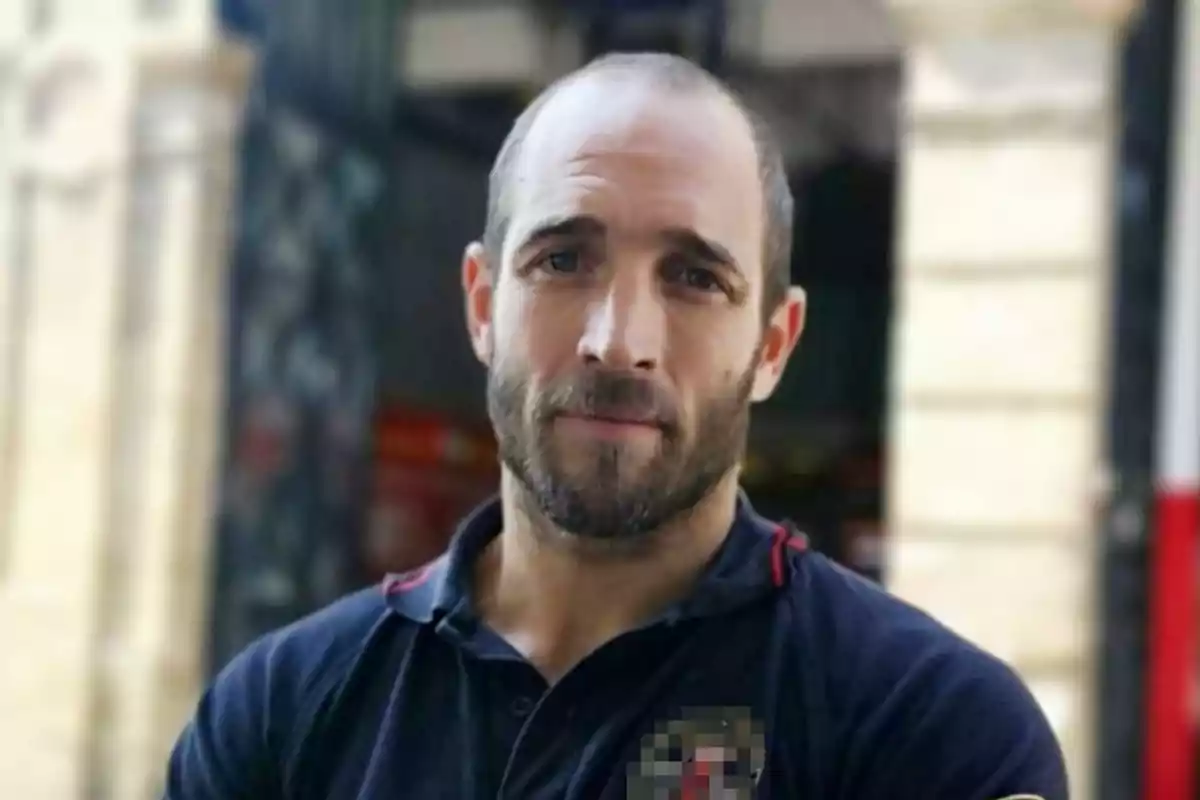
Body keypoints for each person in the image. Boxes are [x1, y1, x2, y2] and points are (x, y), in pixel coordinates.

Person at [164, 52, 1068, 799]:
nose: (617, 341)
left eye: (694, 278)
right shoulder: (276, 716)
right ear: (483, 305)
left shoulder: (935, 736)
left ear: (773, 344)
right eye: (563, 259)